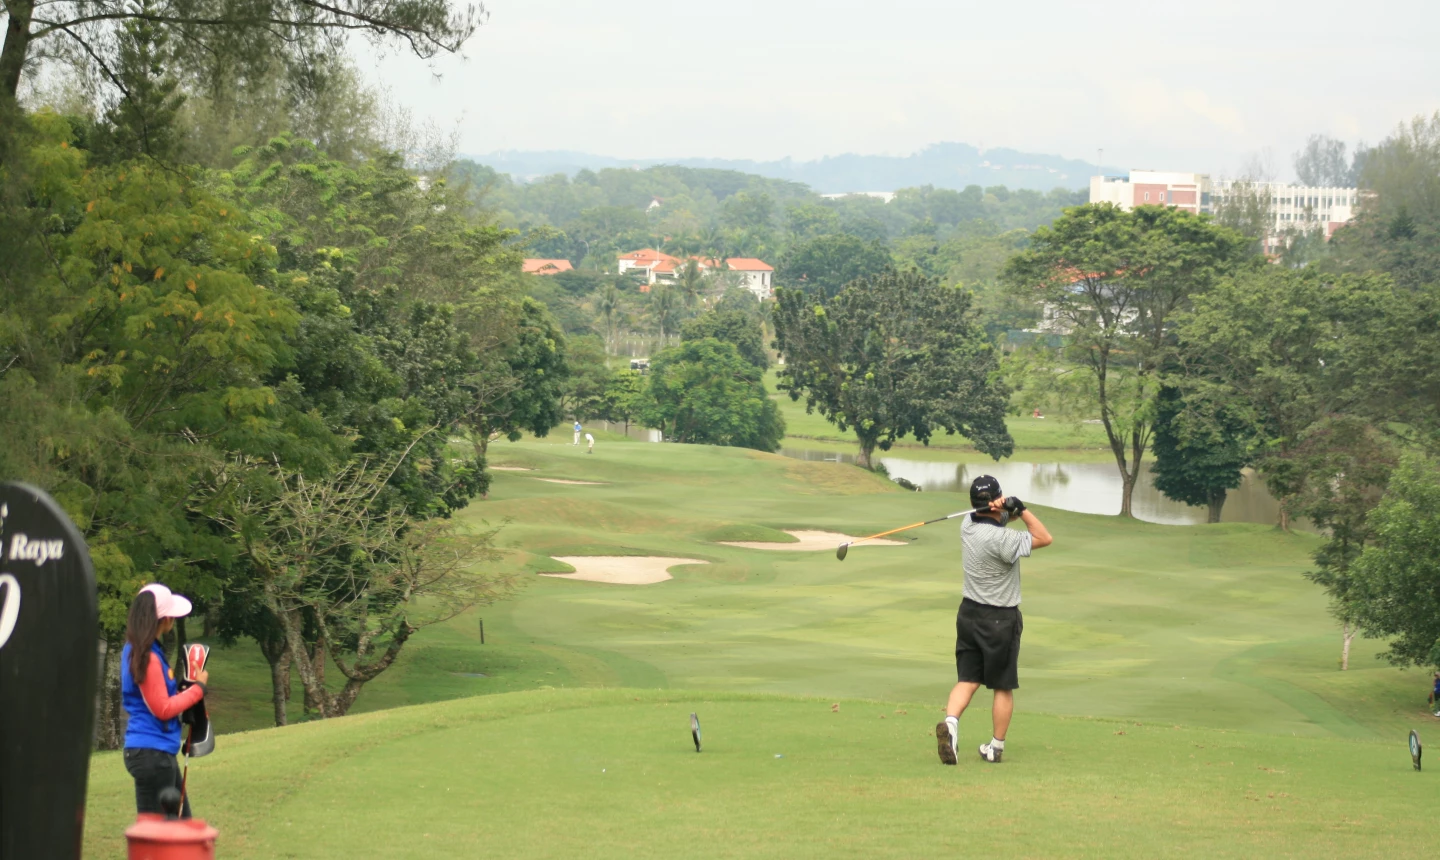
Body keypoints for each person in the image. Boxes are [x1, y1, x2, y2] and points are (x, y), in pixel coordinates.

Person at [937, 475, 1052, 765]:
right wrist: (1021, 509)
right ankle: (995, 748)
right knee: (1002, 686)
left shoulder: (968, 525)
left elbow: (996, 519)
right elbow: (1043, 537)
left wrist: (1002, 509)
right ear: (994, 502)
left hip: (969, 614)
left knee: (968, 679)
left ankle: (950, 725)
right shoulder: (1003, 540)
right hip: (1000, 619)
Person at [120, 584, 208, 818]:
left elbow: (159, 698)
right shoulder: (148, 657)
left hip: (153, 752)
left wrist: (184, 693)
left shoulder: (139, 649)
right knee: (160, 834)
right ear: (166, 619)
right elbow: (163, 708)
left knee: (181, 824)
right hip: (152, 753)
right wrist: (198, 689)